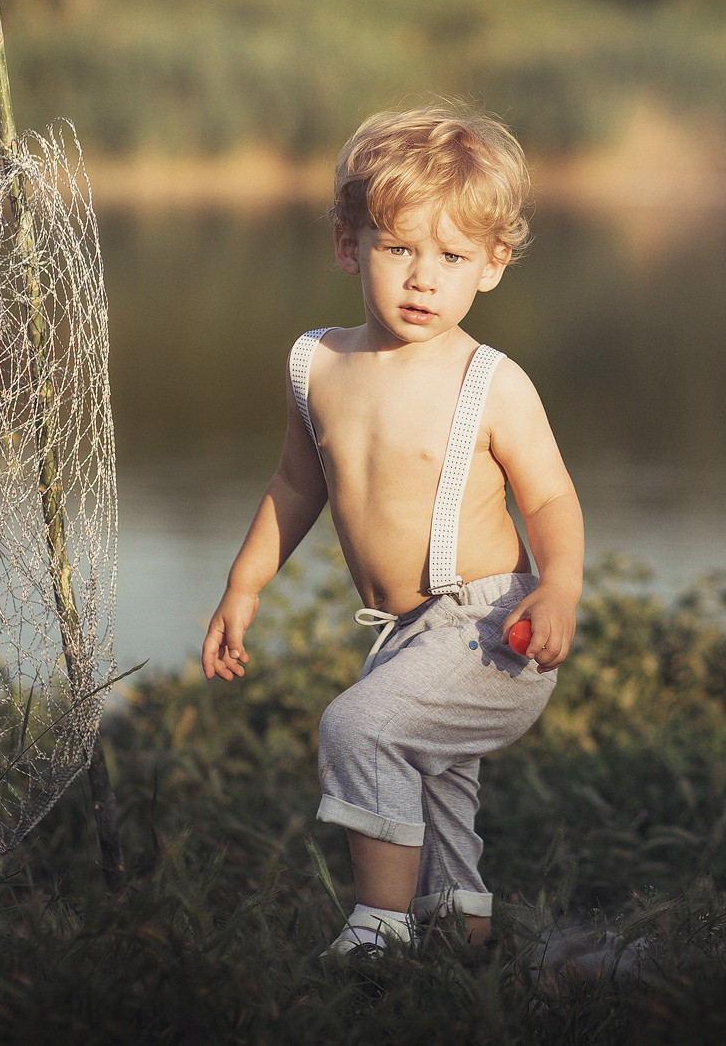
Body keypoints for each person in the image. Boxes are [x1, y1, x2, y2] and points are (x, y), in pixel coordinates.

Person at [200, 104, 584, 957]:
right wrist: (244, 585)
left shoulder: (490, 381)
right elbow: (296, 483)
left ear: (492, 265)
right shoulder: (319, 364)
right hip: (407, 635)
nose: (423, 279)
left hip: (495, 628)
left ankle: (377, 928)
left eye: (452, 257)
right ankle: (461, 941)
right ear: (350, 246)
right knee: (436, 794)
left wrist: (560, 587)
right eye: (399, 249)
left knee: (360, 728)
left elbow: (552, 498)